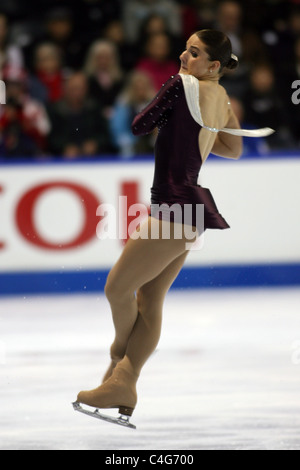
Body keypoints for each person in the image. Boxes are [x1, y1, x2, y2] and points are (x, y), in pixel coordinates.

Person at [75, 30, 273, 422]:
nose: (184, 56)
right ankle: (124, 381)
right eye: (186, 49)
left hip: (172, 207)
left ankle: (119, 364)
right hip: (191, 212)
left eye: (194, 53)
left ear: (214, 65)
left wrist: (169, 99)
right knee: (149, 301)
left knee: (116, 287)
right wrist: (199, 127)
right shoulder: (219, 95)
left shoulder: (181, 85)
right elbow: (232, 149)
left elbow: (138, 125)